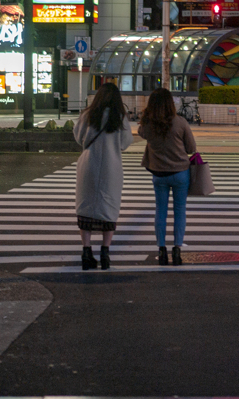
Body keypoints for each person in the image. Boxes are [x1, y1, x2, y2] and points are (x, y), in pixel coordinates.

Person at [74, 83, 133, 270]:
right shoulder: (120, 117)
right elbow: (125, 143)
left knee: (85, 207)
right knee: (109, 207)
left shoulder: (87, 114)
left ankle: (86, 251)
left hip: (88, 164)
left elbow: (78, 136)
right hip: (111, 167)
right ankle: (105, 253)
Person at [138, 88, 197, 266]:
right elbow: (191, 148)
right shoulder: (180, 122)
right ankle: (177, 249)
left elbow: (142, 133)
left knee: (160, 211)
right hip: (180, 173)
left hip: (158, 174)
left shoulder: (147, 125)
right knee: (180, 211)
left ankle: (161, 250)